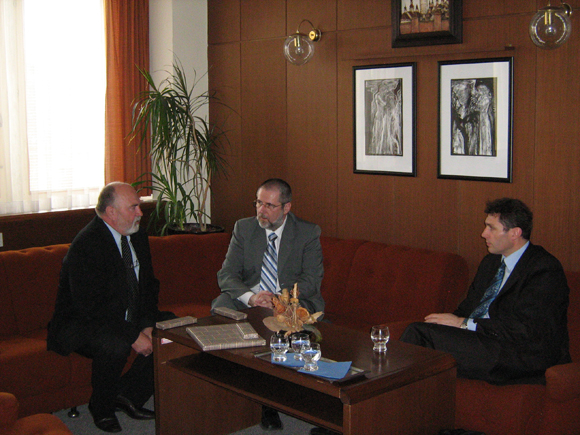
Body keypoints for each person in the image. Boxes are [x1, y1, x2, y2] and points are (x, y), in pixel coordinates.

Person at [47, 182, 175, 433]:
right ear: (111, 212)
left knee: (173, 329)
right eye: (133, 207)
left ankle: (127, 396)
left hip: (128, 314)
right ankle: (101, 407)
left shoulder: (137, 234)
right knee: (115, 343)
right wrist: (132, 335)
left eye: (139, 206)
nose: (140, 213)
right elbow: (91, 308)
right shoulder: (87, 245)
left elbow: (148, 285)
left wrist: (147, 324)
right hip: (83, 322)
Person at [401, 198, 571, 385]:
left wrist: (463, 323)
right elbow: (468, 308)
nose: (483, 234)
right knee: (423, 332)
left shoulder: (544, 269)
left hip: (521, 354)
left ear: (515, 233)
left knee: (419, 334)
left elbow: (525, 329)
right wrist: (448, 324)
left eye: (491, 228)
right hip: (484, 342)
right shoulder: (491, 263)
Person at [211, 178, 324, 431]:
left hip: (290, 300)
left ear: (286, 208)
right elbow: (227, 274)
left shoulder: (307, 232)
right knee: (220, 309)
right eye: (259, 203)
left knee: (283, 326)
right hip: (250, 296)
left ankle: (267, 403)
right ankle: (226, 394)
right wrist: (251, 298)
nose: (261, 210)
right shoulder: (244, 227)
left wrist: (278, 301)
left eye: (270, 206)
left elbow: (311, 281)